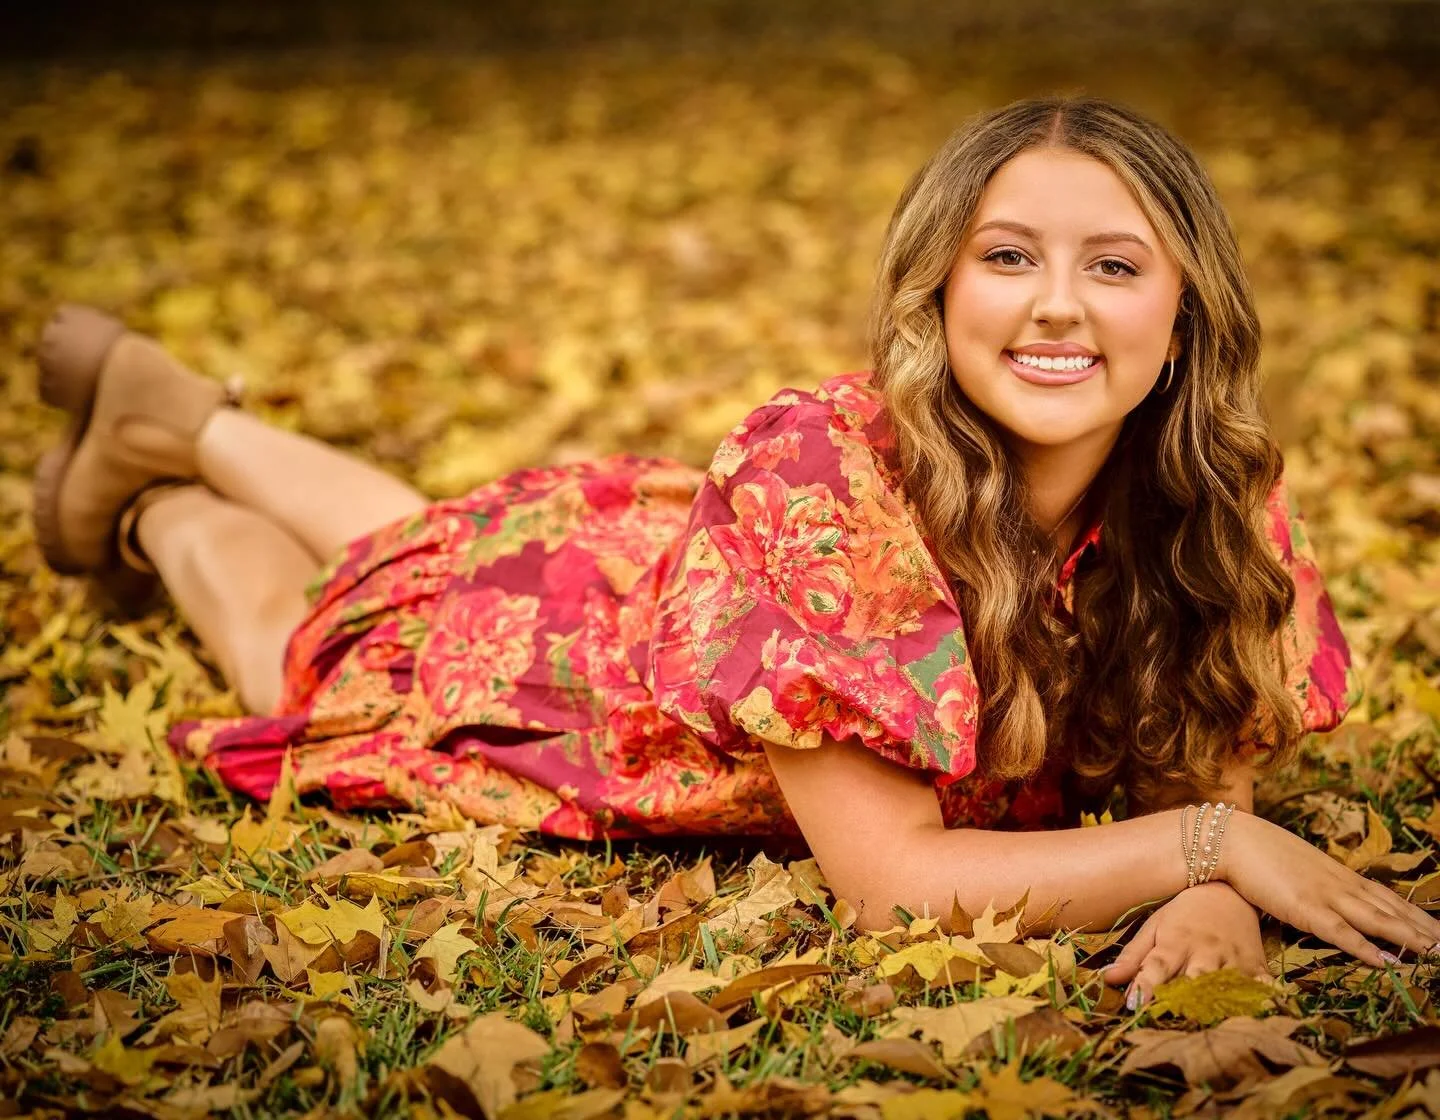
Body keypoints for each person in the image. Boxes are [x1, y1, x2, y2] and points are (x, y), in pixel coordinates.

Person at [30, 96, 1438, 1009]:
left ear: (1185, 318)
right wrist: (1211, 850)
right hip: (588, 683)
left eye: (1114, 266)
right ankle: (168, 503)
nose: (1056, 306)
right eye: (1008, 256)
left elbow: (1204, 759)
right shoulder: (821, 470)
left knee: (421, 540)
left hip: (652, 560)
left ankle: (177, 418)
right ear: (939, 291)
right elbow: (894, 883)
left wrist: (1216, 887)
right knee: (321, 640)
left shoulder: (1218, 489)